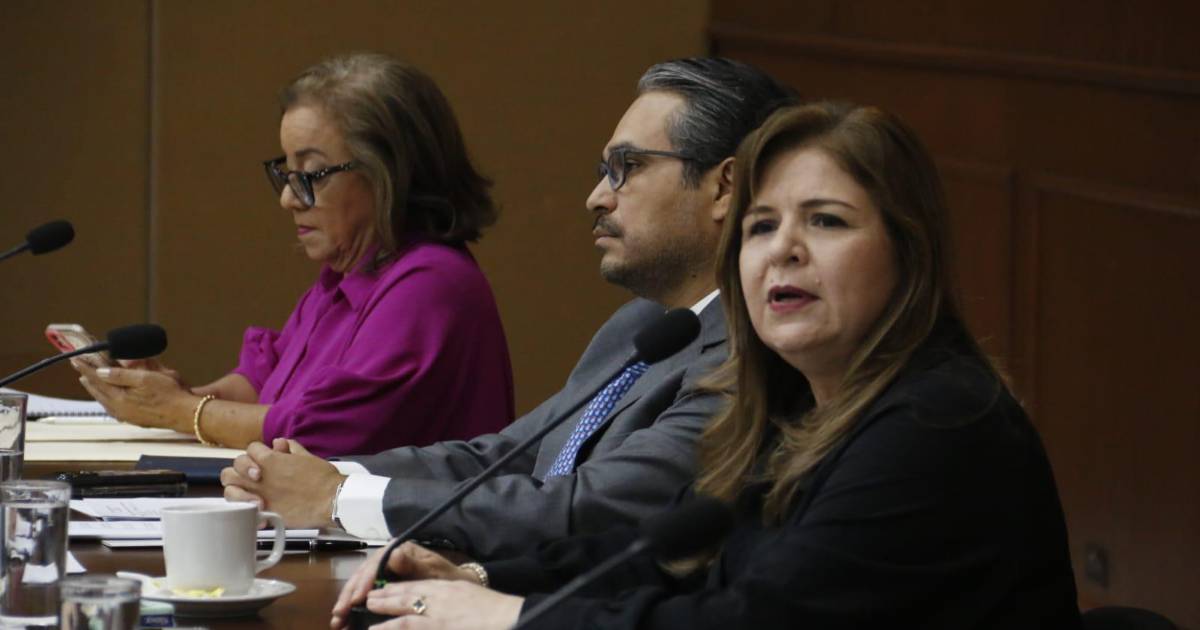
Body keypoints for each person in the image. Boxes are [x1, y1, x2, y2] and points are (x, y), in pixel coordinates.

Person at [334, 101, 1084, 629]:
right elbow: (667, 559)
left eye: (826, 221)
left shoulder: (936, 426)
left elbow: (755, 621)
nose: (783, 250)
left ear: (908, 253)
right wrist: (478, 577)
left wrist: (511, 617)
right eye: (761, 226)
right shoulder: (797, 408)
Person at [220, 58, 794, 558]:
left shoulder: (754, 352)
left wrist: (339, 497)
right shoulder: (642, 324)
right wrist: (327, 476)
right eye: (603, 172)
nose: (596, 197)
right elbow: (504, 455)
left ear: (725, 187)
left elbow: (590, 507)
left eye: (628, 167)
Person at [73, 53, 514, 458]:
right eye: (286, 172)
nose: (288, 199)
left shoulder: (429, 285)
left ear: (389, 174)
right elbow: (266, 387)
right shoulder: (348, 274)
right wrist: (169, 397)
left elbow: (322, 433)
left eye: (312, 174)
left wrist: (181, 411)